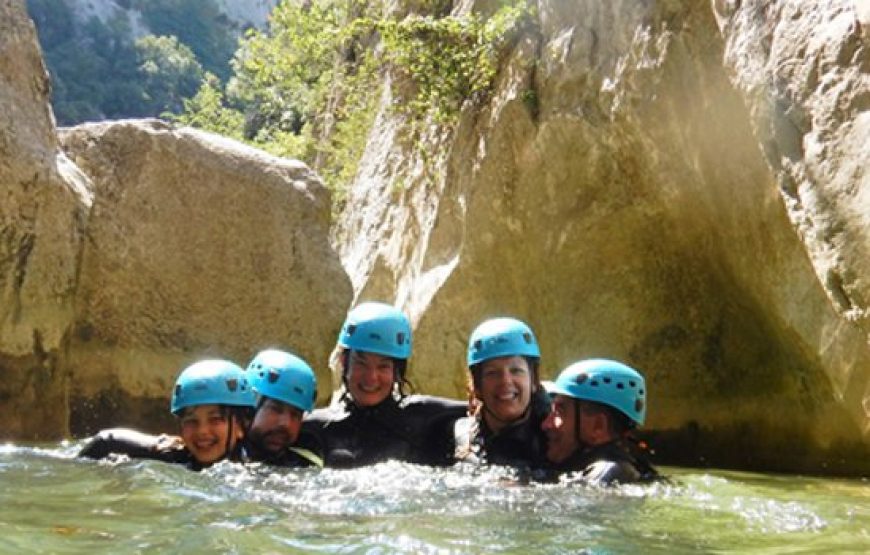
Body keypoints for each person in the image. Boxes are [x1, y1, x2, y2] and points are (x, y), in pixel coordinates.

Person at [302, 301, 466, 468]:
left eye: (383, 366)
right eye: (361, 363)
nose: (371, 378)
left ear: (397, 371)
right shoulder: (316, 427)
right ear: (344, 362)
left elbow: (484, 412)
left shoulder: (426, 418)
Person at [79, 359, 256, 471]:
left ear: (241, 425)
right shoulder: (171, 455)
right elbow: (106, 440)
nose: (202, 430)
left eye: (216, 419)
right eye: (191, 421)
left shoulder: (257, 469)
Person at [453, 317, 550, 469]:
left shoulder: (557, 439)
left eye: (516, 371)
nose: (505, 381)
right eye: (492, 373)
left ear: (534, 381)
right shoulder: (463, 437)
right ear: (477, 386)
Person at [541, 358, 659, 485]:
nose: (546, 424)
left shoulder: (610, 473)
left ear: (598, 426)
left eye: (560, 412)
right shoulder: (626, 469)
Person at [244, 348, 323, 468]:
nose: (286, 424)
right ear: (249, 406)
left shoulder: (305, 464)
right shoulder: (218, 455)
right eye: (275, 409)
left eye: (295, 414)